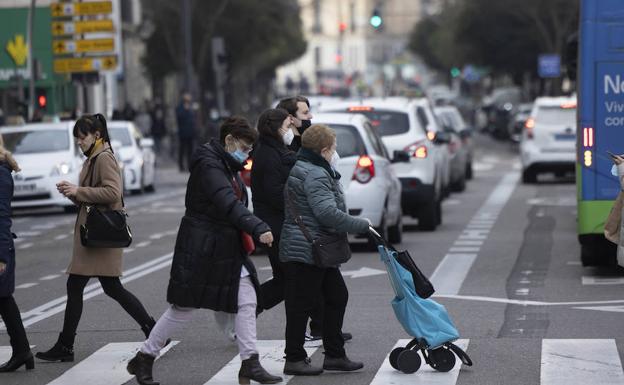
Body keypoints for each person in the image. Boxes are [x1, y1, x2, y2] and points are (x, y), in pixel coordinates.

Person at [126, 117, 282, 385]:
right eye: (244, 148)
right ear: (229, 140)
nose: (246, 155)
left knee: (247, 300)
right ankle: (145, 356)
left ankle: (250, 362)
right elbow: (228, 204)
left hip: (224, 248)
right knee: (183, 308)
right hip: (202, 248)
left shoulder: (226, 164)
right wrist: (258, 227)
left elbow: (235, 204)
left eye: (249, 150)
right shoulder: (210, 166)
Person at [36, 114, 159, 363]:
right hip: (95, 235)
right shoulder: (94, 157)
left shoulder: (103, 158)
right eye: (77, 139)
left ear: (97, 136)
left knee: (89, 287)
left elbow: (113, 192)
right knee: (108, 287)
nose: (79, 142)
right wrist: (73, 193)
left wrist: (79, 191)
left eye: (83, 137)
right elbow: (94, 195)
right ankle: (154, 331)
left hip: (100, 235)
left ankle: (66, 345)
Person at [279, 124, 370, 375]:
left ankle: (335, 355)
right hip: (309, 248)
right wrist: (361, 225)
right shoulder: (316, 173)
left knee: (336, 296)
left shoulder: (305, 166)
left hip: (311, 247)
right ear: (323, 150)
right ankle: (295, 358)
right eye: (333, 148)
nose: (334, 153)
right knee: (302, 305)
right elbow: (326, 213)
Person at [251, 109, 296, 312]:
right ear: (277, 128)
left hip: (278, 222)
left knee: (289, 279)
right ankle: (245, 310)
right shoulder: (268, 153)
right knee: (288, 279)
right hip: (276, 225)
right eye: (288, 126)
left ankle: (246, 311)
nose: (290, 130)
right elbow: (274, 193)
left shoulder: (276, 149)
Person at [0, 134, 33, 373]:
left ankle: (22, 351)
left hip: (0, 247)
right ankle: (22, 351)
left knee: (4, 300)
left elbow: (1, 218)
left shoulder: (1, 174)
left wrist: (1, 256)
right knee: (4, 301)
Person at [176, 92, 196, 172]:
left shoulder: (191, 107)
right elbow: (179, 118)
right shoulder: (180, 107)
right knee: (182, 150)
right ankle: (181, 166)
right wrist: (185, 110)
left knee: (190, 151)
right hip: (183, 133)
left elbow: (193, 119)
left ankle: (189, 165)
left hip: (190, 133)